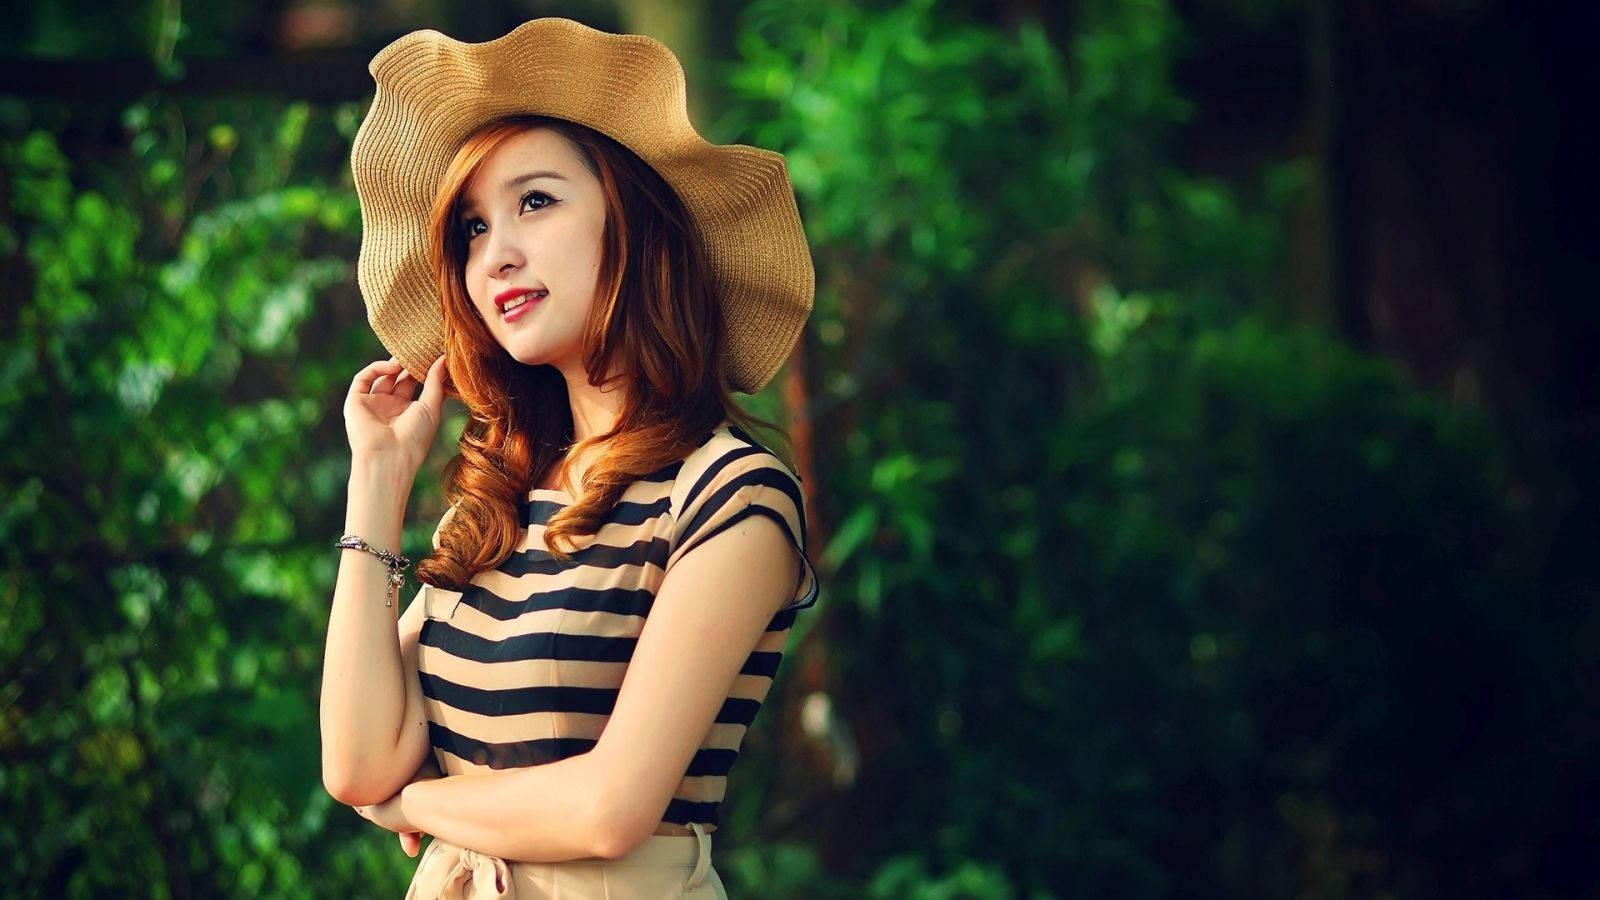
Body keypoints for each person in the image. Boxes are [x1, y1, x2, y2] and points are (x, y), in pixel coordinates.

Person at [318, 18, 820, 898]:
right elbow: (357, 765)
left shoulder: (729, 493)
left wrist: (420, 807)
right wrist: (377, 481)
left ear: (633, 225)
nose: (495, 254)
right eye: (471, 229)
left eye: (535, 202)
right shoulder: (506, 497)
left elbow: (608, 810)